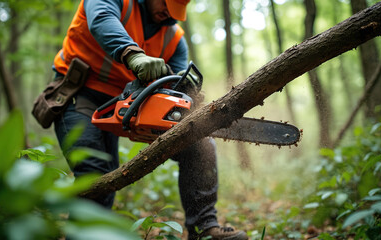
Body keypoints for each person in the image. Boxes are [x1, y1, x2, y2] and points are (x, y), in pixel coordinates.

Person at [51, 0, 248, 239]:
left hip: (130, 102)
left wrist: (188, 97)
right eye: (166, 3)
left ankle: (204, 228)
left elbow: (177, 86)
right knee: (96, 171)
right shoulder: (112, 3)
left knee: (200, 143)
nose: (168, 13)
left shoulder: (174, 39)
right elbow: (101, 19)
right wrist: (133, 55)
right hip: (80, 95)